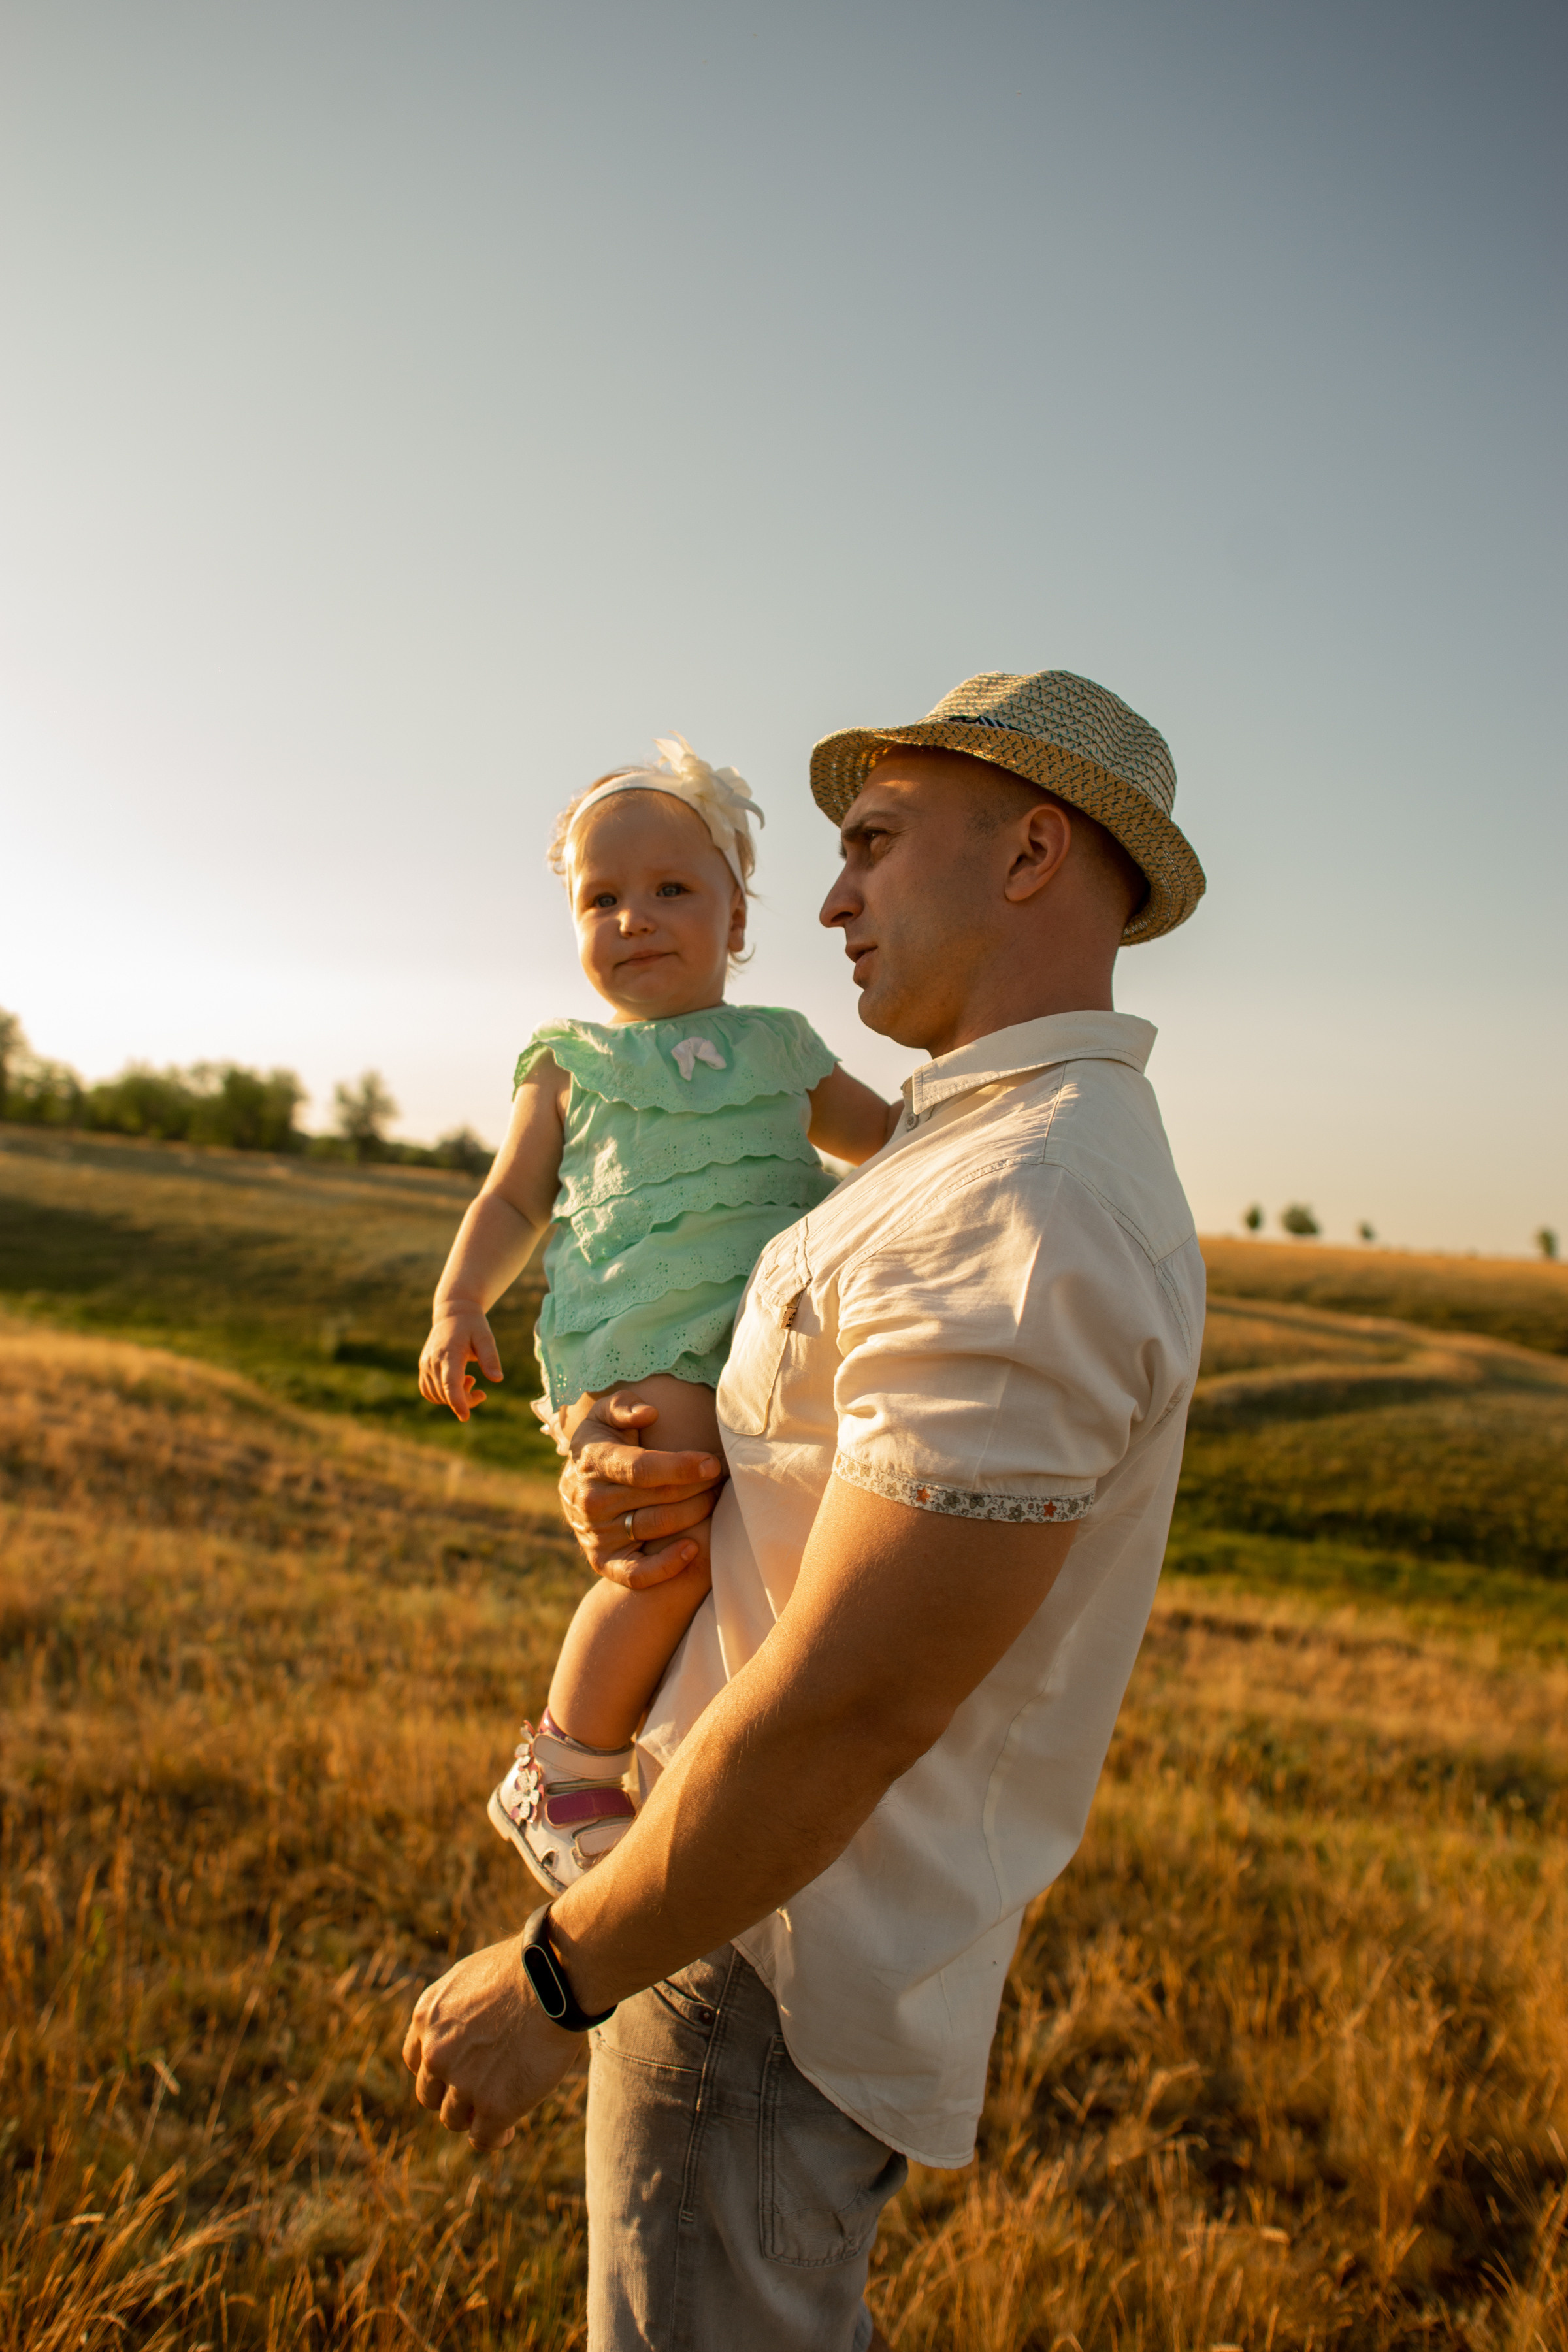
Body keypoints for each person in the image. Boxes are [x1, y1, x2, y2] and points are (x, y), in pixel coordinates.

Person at [404, 670, 1209, 2352]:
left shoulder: (1025, 1202)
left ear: (1033, 853)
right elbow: (790, 1486)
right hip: (718, 1908)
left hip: (758, 1957)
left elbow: (852, 1703)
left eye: (873, 842)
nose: (831, 899)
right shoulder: (944, 1158)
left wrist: (561, 1972)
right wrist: (627, 1482)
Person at [417, 734, 892, 1895]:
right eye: (602, 899)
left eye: (672, 889)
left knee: (755, 1545)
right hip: (635, 1335)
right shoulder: (571, 1064)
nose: (633, 919)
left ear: (738, 918)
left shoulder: (784, 1047)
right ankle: (567, 1762)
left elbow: (890, 1147)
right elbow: (514, 1194)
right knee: (668, 1546)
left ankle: (693, 1758)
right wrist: (459, 1300)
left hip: (757, 1337)